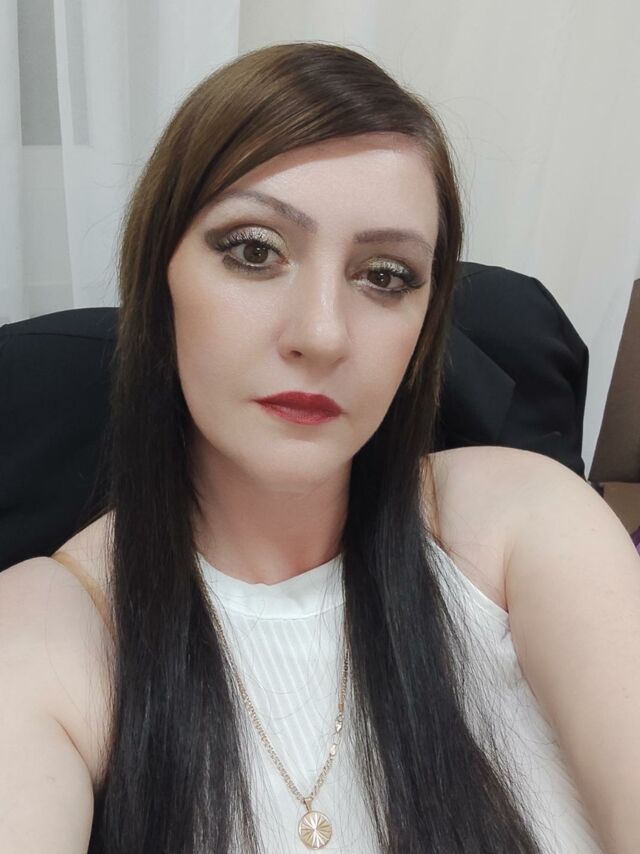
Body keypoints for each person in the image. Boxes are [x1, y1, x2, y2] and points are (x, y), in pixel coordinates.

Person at [1, 41, 639, 854]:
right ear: (158, 281)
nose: (323, 334)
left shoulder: (526, 520)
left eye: (385, 275)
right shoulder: (48, 631)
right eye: (254, 251)